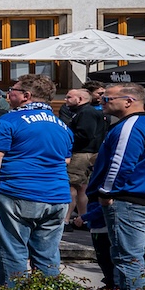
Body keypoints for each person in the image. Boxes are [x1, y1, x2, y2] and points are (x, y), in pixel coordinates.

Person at [84, 82, 145, 290]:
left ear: (129, 101)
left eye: (108, 98)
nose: (102, 101)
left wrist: (106, 193)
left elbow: (120, 163)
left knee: (128, 257)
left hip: (133, 202)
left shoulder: (130, 126)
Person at [0, 74, 72, 282]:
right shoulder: (61, 125)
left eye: (12, 90)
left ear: (26, 95)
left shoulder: (9, 120)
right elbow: (66, 160)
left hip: (17, 192)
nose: (7, 94)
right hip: (57, 196)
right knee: (47, 255)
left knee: (11, 253)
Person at [62, 86, 109, 228]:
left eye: (69, 97)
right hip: (88, 153)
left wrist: (66, 138)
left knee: (71, 186)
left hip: (82, 153)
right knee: (82, 188)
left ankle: (65, 219)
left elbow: (85, 135)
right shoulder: (84, 112)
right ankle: (83, 219)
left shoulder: (86, 112)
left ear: (80, 99)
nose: (65, 100)